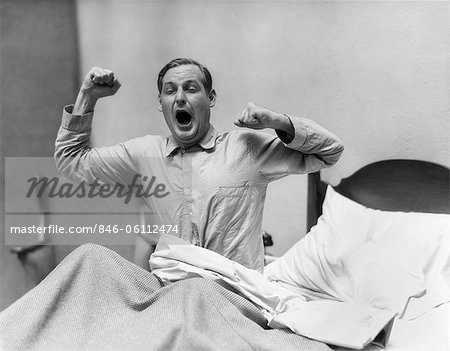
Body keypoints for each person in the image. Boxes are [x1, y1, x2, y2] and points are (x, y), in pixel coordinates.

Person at [55, 58, 344, 272]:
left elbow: (328, 151)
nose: (180, 97)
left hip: (233, 297)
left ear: (210, 98)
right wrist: (87, 96)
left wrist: (276, 121)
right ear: (161, 103)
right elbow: (70, 163)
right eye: (170, 91)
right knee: (87, 262)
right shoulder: (145, 153)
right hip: (172, 295)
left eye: (191, 89)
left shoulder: (245, 147)